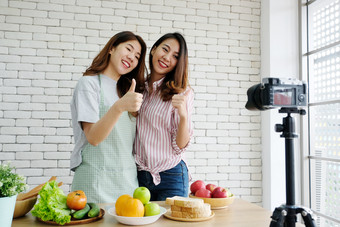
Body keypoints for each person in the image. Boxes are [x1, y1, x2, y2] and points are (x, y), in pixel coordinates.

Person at [70, 31, 147, 203]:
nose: (132, 58)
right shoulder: (88, 84)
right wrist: (119, 106)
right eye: (128, 49)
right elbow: (93, 137)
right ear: (112, 48)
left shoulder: (129, 90)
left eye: (137, 56)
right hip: (94, 181)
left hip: (127, 183)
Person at [134, 32, 194, 201]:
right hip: (141, 176)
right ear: (153, 50)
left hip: (172, 175)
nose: (167, 58)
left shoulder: (183, 93)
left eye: (175, 56)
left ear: (178, 63)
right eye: (165, 50)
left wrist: (183, 116)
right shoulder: (139, 88)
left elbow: (181, 145)